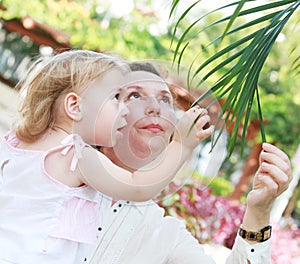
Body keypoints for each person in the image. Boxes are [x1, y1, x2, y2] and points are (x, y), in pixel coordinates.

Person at [0, 51, 213, 263]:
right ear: (75, 106)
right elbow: (138, 187)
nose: (124, 110)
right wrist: (181, 144)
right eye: (116, 98)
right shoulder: (75, 155)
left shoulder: (18, 142)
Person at [84, 62, 292, 264]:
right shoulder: (65, 167)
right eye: (135, 95)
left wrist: (258, 212)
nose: (155, 107)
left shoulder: (164, 234)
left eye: (165, 100)